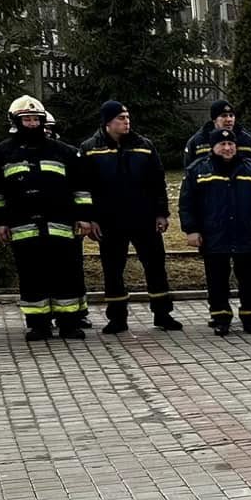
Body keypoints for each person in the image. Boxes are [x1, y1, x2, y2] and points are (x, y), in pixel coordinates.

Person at [0, 96, 94, 341]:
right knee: (31, 276)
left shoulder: (65, 152)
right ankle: (38, 325)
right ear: (16, 121)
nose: (33, 124)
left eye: (36, 119)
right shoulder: (1, 154)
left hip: (61, 226)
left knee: (65, 275)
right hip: (23, 227)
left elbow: (81, 189)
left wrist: (84, 218)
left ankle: (69, 323)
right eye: (27, 119)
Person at [78, 101, 180, 335]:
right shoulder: (89, 148)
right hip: (109, 222)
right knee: (113, 270)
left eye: (127, 117)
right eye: (121, 118)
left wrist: (161, 213)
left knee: (155, 266)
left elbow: (157, 182)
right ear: (107, 123)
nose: (126, 122)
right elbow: (84, 187)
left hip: (143, 218)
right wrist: (89, 218)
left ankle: (163, 314)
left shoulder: (144, 146)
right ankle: (117, 318)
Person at [179, 131, 251, 336]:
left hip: (246, 233)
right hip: (214, 234)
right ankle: (221, 318)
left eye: (231, 143)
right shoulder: (198, 170)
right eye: (222, 144)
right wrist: (192, 230)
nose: (227, 148)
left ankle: (250, 317)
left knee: (249, 279)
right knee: (217, 279)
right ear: (213, 147)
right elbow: (187, 203)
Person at [184, 98, 251, 168]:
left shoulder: (248, 140)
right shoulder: (198, 141)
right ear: (214, 119)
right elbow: (189, 171)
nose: (229, 119)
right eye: (224, 116)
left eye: (231, 115)